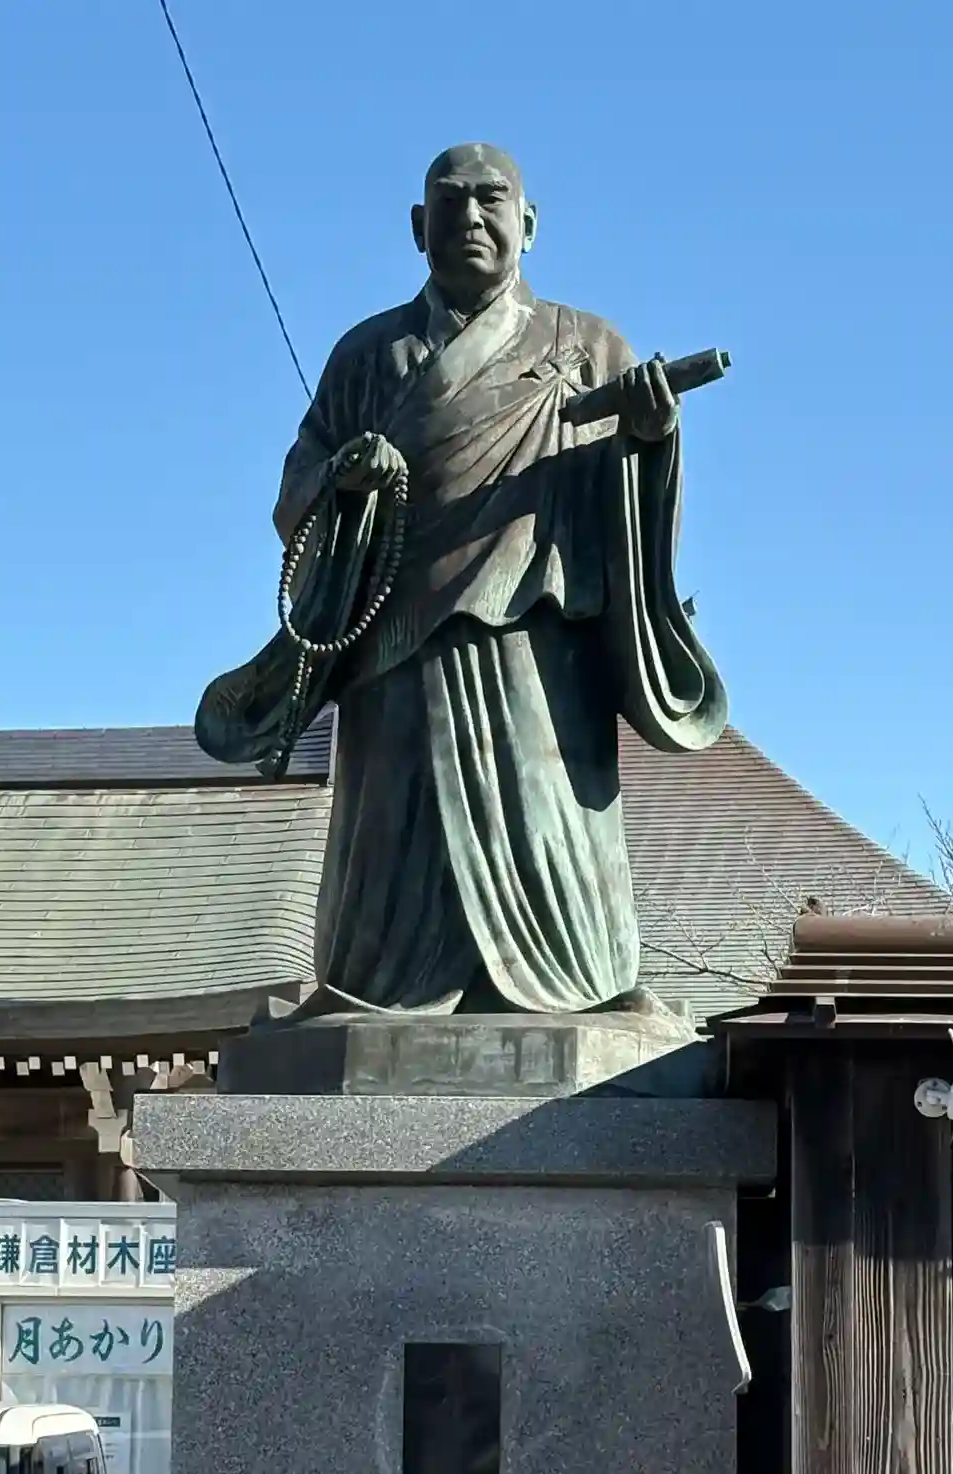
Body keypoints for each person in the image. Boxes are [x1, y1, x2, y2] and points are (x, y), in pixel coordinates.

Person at [196, 144, 726, 1018]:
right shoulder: (367, 356)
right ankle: (374, 985)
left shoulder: (589, 345)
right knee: (394, 826)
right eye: (451, 202)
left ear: (529, 223)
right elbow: (298, 487)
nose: (472, 218)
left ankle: (582, 981)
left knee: (548, 813)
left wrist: (646, 442)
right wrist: (344, 480)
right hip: (396, 637)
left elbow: (624, 510)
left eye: (492, 200)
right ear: (419, 226)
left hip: (539, 634)